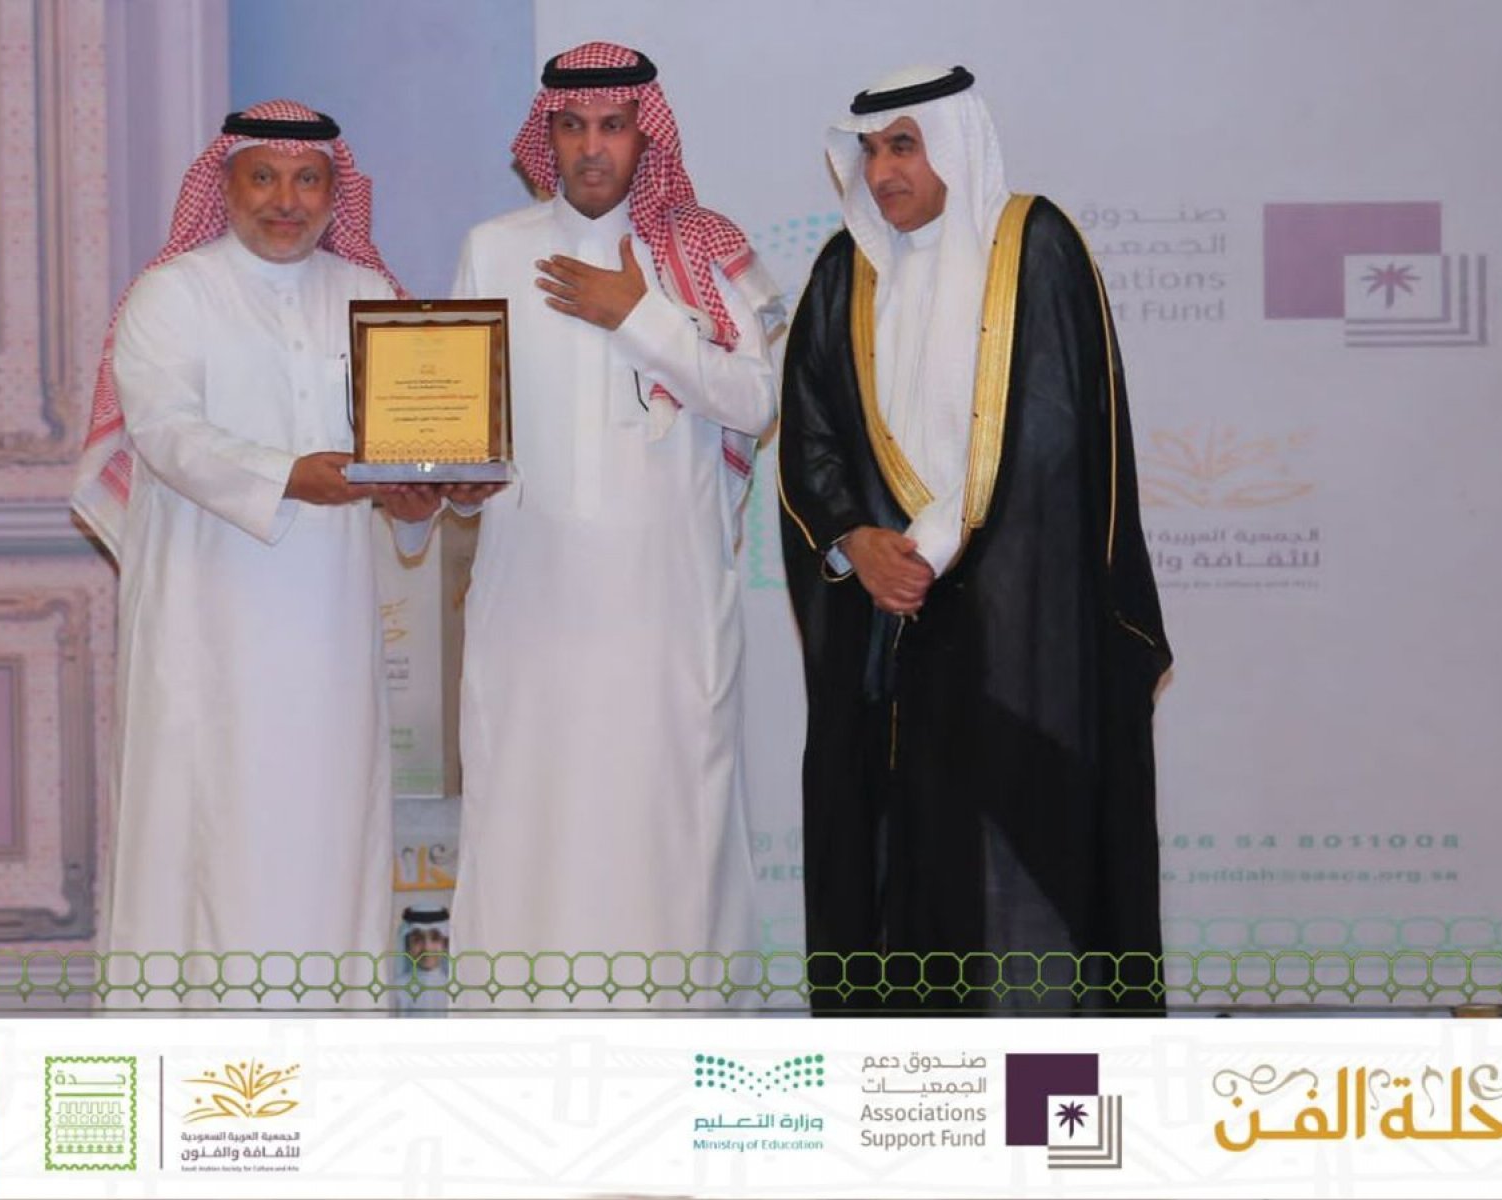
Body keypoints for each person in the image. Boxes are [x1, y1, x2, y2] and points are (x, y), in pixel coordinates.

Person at [778, 64, 1173, 1013]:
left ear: (954, 146)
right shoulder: (841, 272)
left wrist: (927, 546)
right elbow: (810, 435)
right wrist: (853, 542)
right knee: (893, 859)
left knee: (1023, 865)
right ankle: (903, 1087)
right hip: (884, 629)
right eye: (869, 152)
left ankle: (1043, 1088)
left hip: (1017, 627)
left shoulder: (1035, 247)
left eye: (903, 147)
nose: (881, 172)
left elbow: (1055, 430)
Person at [444, 42, 782, 1005]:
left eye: (612, 125)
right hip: (531, 603)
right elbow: (466, 422)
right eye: (571, 126)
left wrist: (639, 316)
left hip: (664, 604)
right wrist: (453, 481)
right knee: (529, 815)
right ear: (546, 136)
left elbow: (756, 400)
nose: (592, 146)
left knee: (663, 820)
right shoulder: (493, 248)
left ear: (645, 135)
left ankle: (671, 1043)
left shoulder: (704, 251)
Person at [71, 101, 433, 988]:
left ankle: (329, 1043)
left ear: (333, 192)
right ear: (225, 185)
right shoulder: (174, 293)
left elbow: (407, 444)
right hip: (207, 614)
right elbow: (166, 432)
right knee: (210, 818)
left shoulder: (371, 296)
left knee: (325, 819)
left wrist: (420, 492)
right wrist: (285, 476)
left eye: (306, 180)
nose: (285, 200)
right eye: (263, 178)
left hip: (329, 626)